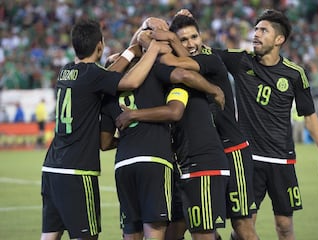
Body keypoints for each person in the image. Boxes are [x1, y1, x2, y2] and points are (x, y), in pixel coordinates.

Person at [40, 18, 171, 240]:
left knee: (50, 236)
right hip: (77, 171)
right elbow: (129, 82)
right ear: (100, 46)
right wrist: (152, 49)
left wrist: (131, 49)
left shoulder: (66, 72)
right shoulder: (94, 76)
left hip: (51, 168)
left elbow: (110, 73)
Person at [100, 20, 225, 240]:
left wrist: (129, 135)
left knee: (136, 232)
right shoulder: (157, 73)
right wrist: (215, 90)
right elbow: (179, 94)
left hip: (124, 164)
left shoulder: (108, 92)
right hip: (157, 160)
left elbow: (103, 142)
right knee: (162, 232)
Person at [213, 9, 318, 240]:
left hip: (282, 159)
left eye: (263, 30)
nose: (256, 34)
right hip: (248, 159)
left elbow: (309, 115)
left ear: (279, 39)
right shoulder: (241, 61)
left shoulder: (295, 74)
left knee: (284, 225)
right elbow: (205, 53)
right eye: (256, 29)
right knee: (243, 226)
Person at [150, 12, 259, 240]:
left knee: (242, 226)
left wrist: (168, 39)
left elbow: (175, 62)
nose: (191, 43)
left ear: (202, 37)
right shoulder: (189, 66)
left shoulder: (209, 60)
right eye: (184, 39)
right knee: (193, 226)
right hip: (202, 155)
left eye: (194, 37)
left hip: (232, 150)